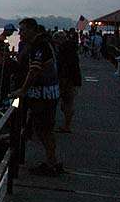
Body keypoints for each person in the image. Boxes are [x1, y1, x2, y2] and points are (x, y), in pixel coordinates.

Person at [12, 18, 62, 176]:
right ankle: (52, 161)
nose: (20, 34)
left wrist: (22, 90)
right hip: (48, 93)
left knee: (43, 130)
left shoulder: (38, 46)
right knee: (44, 130)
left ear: (32, 30)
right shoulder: (43, 43)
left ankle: (51, 164)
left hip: (44, 96)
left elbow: (33, 71)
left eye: (23, 30)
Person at [54, 31, 82, 131]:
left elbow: (65, 66)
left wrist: (63, 79)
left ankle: (66, 125)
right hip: (72, 79)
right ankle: (67, 124)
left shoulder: (64, 50)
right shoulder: (72, 49)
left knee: (66, 102)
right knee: (68, 102)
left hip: (66, 79)